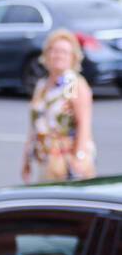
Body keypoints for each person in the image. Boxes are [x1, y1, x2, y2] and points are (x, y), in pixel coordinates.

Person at [23, 29, 95, 184]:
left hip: (65, 159)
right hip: (43, 158)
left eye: (63, 52)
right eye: (53, 51)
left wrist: (80, 157)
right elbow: (34, 125)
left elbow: (84, 124)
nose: (57, 55)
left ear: (73, 57)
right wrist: (26, 159)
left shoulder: (73, 84)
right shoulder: (42, 85)